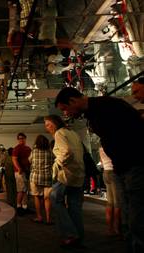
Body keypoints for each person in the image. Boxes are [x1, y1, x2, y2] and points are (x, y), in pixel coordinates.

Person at [55, 87, 144, 252]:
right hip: (122, 167)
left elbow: (130, 135)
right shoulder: (95, 112)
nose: (66, 113)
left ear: (73, 101)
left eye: (65, 108)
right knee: (127, 214)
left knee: (136, 216)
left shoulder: (106, 107)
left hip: (133, 165)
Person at [44, 115, 85, 248]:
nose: (47, 128)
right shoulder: (73, 133)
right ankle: (78, 236)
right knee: (75, 206)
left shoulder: (59, 133)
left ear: (55, 124)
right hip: (78, 174)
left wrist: (56, 165)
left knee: (54, 198)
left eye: (48, 124)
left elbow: (66, 152)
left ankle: (70, 234)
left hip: (66, 175)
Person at [29, 135, 54, 224]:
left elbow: (29, 161)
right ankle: (48, 218)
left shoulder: (34, 152)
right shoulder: (50, 152)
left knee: (37, 197)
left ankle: (39, 217)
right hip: (48, 177)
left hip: (36, 177)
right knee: (47, 198)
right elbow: (53, 163)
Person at [99, 147, 123, 237]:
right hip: (113, 171)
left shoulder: (100, 148)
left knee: (110, 203)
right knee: (117, 203)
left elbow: (101, 162)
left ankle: (110, 229)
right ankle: (118, 229)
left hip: (105, 172)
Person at [12, 132, 31, 215]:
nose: (21, 140)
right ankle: (18, 207)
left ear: (25, 139)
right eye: (19, 138)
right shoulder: (17, 148)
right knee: (20, 190)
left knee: (25, 190)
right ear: (18, 139)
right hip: (19, 172)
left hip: (27, 172)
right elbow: (14, 159)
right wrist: (19, 168)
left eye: (22, 138)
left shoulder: (28, 148)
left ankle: (25, 207)